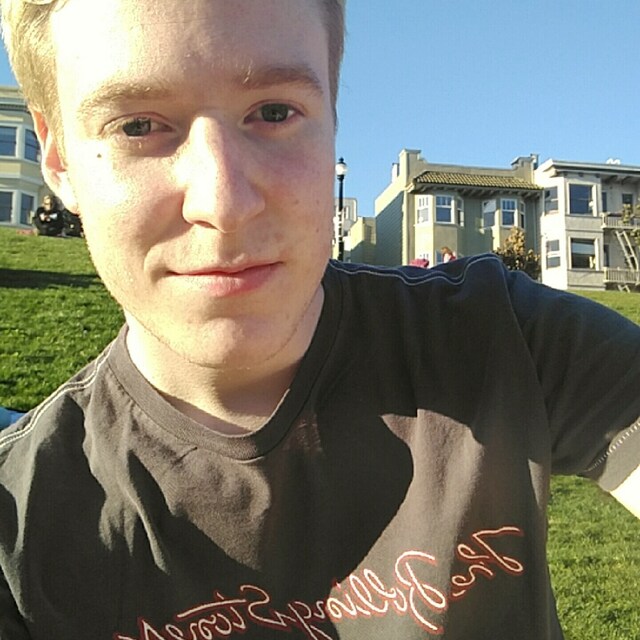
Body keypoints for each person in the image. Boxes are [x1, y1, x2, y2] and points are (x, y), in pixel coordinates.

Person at [0, 1, 638, 639]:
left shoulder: (502, 341)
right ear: (58, 161)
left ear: (333, 121)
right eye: (138, 126)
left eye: (274, 112)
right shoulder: (18, 527)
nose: (224, 202)